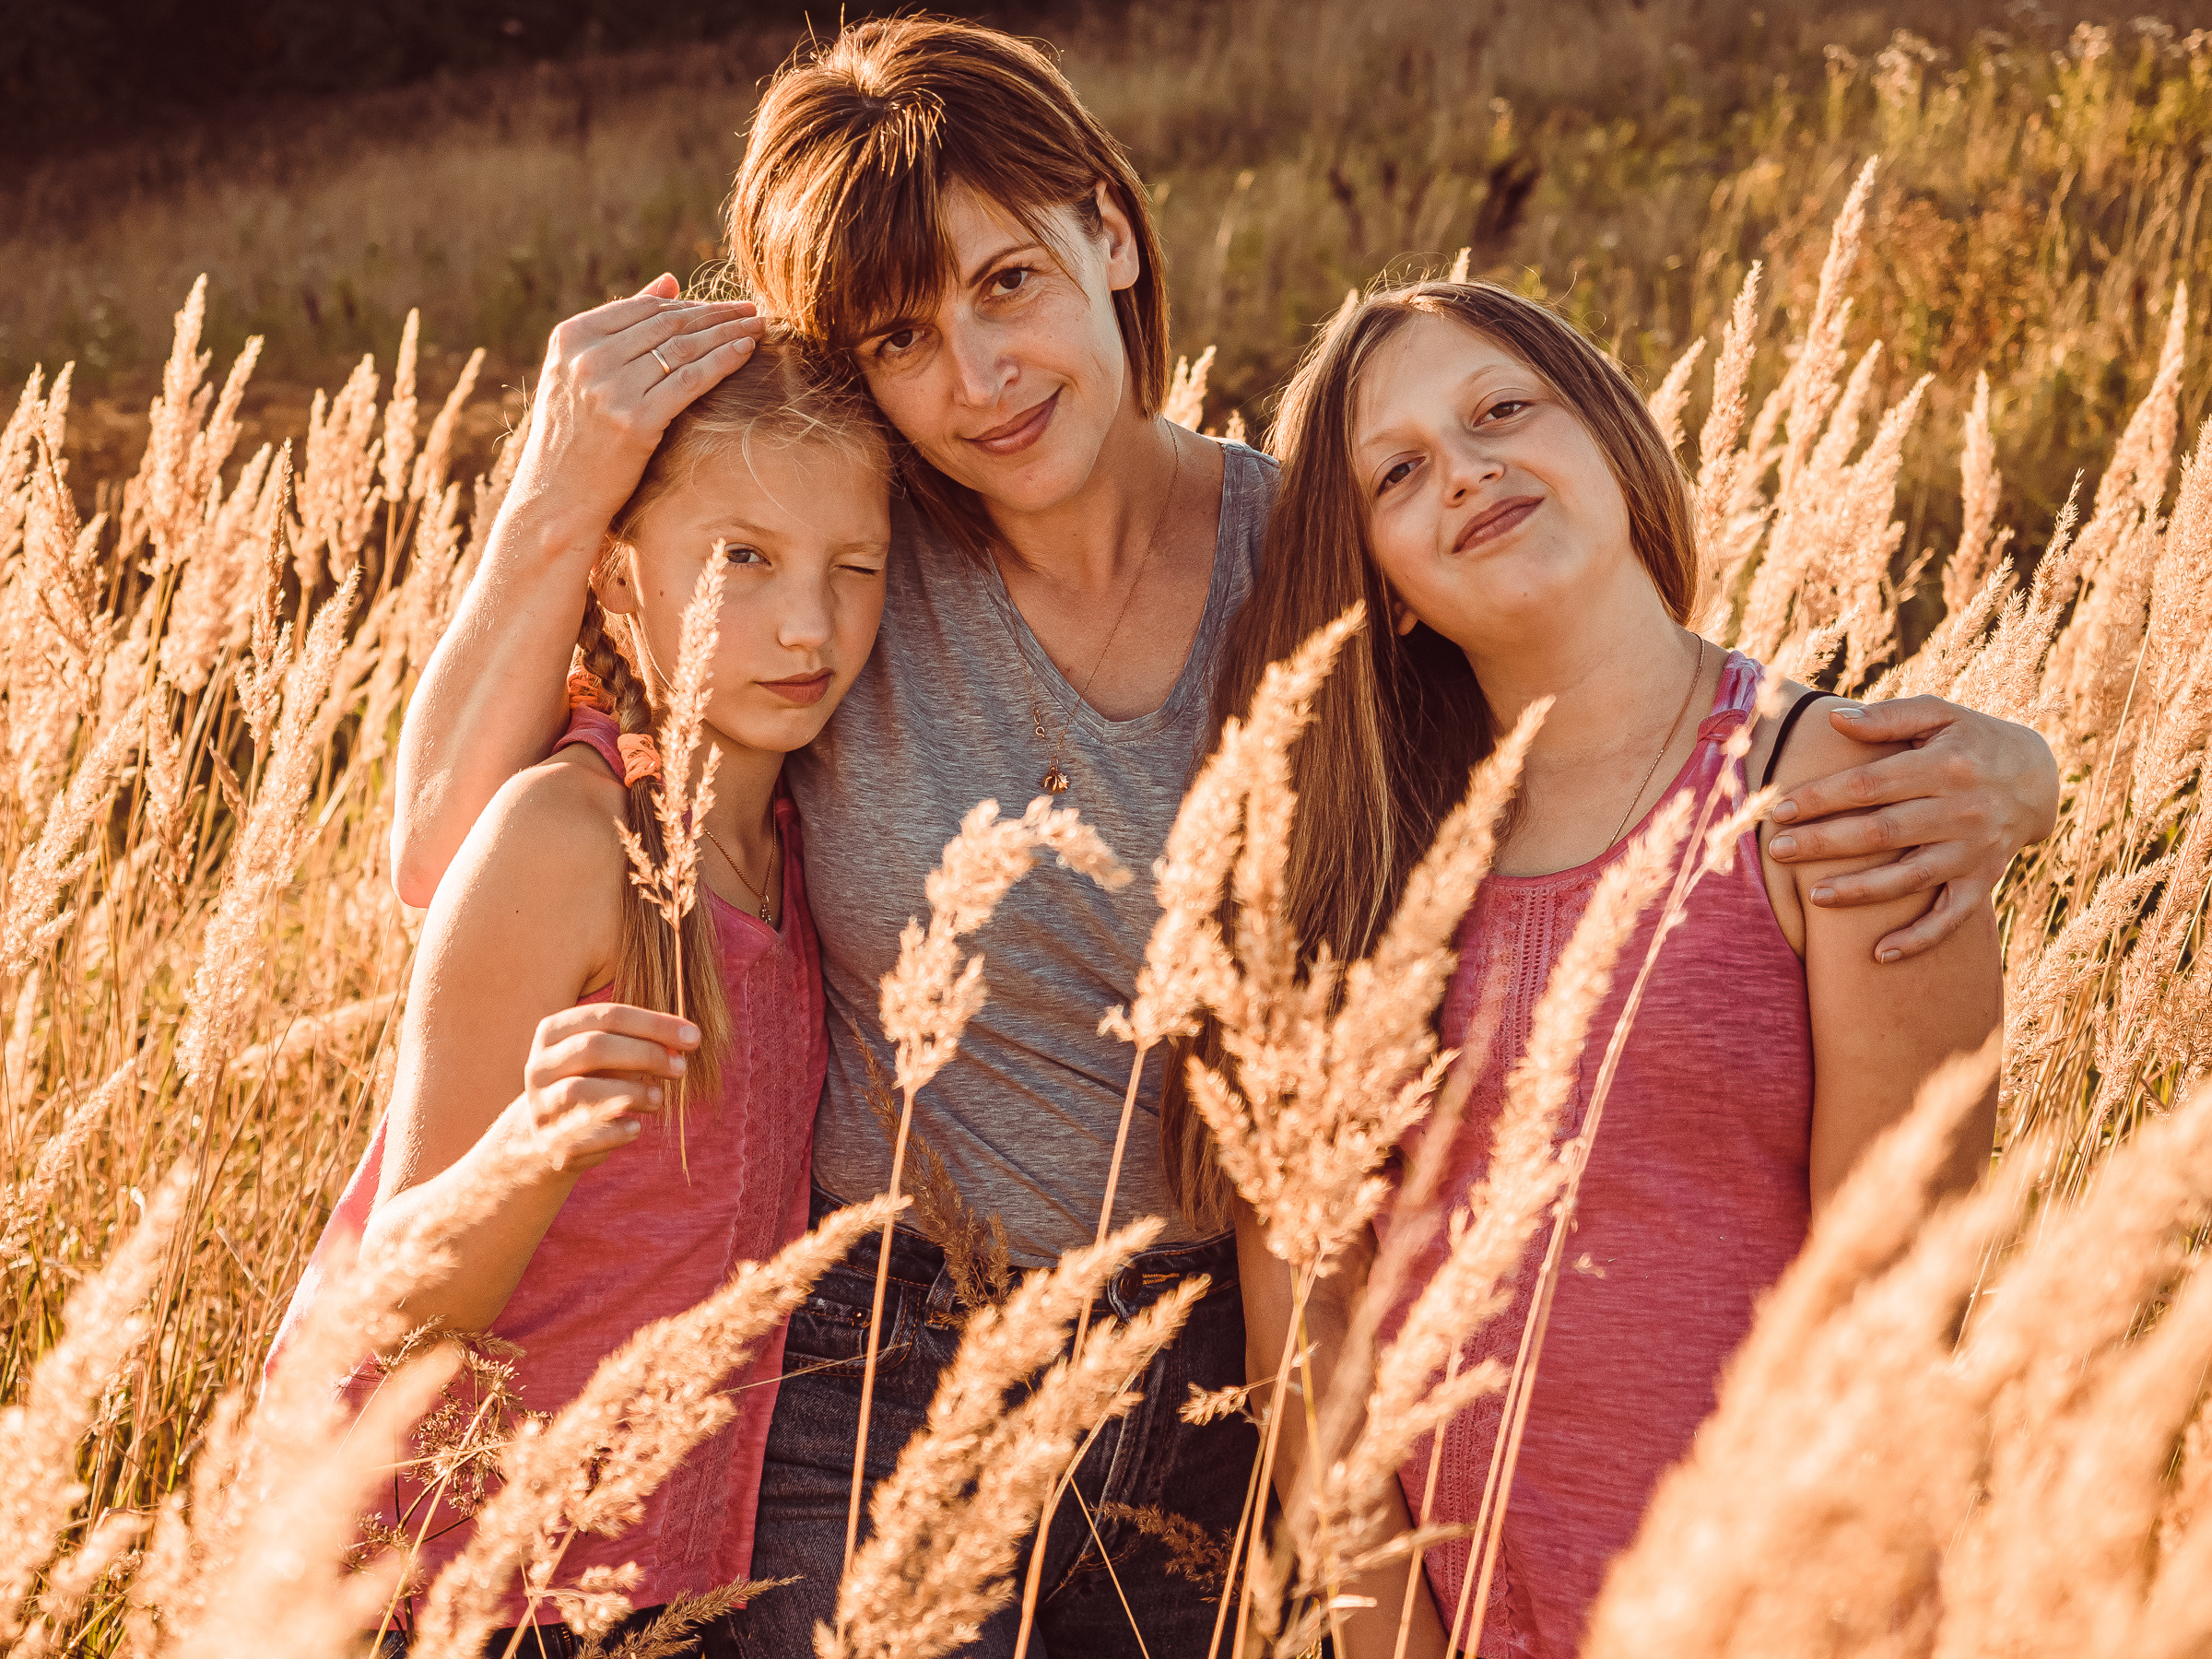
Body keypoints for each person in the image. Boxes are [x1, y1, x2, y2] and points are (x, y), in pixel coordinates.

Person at [390, 19, 2053, 1653]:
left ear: (1108, 229)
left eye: (1009, 283)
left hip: (1236, 1368)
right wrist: (557, 497)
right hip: (883, 1371)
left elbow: (1610, 693)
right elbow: (446, 872)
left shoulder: (1328, 558)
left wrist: (1996, 768)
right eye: (898, 339)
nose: (974, 379)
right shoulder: (858, 576)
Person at [1216, 278, 2006, 1659]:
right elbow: (1312, 1332)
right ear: (1385, 593)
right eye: (1398, 472)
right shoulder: (1368, 874)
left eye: (1502, 411)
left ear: (1613, 443)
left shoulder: (1840, 800)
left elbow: (1890, 1297)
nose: (1465, 470)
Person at [279, 332, 892, 1653]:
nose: (809, 623)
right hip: (446, 1575)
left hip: (650, 1586)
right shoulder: (564, 839)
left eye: (856, 570)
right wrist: (528, 1150)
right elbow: (392, 1298)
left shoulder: (799, 851)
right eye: (744, 559)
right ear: (620, 588)